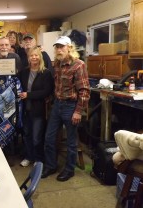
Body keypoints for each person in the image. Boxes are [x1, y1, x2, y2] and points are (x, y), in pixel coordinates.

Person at [41, 36, 90, 181]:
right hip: (57, 104)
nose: (58, 49)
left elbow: (84, 90)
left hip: (71, 106)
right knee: (49, 138)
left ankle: (69, 169)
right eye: (56, 47)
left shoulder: (78, 65)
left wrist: (78, 111)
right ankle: (51, 165)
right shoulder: (56, 63)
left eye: (61, 47)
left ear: (69, 47)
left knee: (71, 141)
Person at [18, 46, 54, 167]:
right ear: (28, 58)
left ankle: (39, 159)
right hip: (25, 110)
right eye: (31, 55)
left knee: (37, 137)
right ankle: (29, 156)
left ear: (40, 57)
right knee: (27, 135)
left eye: (36, 55)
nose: (34, 57)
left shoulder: (46, 73)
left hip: (38, 111)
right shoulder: (24, 72)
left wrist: (28, 95)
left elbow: (46, 91)